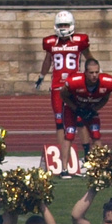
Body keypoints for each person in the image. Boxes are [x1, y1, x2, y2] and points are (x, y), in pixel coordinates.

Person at [37, 10, 90, 174]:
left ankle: (88, 154)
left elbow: (89, 57)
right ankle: (63, 155)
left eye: (66, 25)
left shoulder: (80, 41)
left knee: (80, 120)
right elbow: (48, 60)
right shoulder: (51, 42)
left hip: (75, 86)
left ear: (72, 25)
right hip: (57, 86)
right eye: (61, 25)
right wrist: (41, 76)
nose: (63, 28)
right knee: (59, 122)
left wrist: (95, 73)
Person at [57, 57, 112, 174]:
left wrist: (94, 109)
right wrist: (76, 109)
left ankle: (98, 166)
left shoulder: (107, 82)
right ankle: (64, 169)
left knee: (96, 134)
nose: (94, 75)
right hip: (73, 107)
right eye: (91, 72)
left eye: (96, 72)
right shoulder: (75, 81)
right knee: (69, 134)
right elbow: (63, 95)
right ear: (85, 73)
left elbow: (105, 97)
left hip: (90, 107)